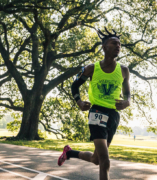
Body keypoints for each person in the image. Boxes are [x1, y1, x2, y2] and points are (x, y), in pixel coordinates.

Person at [58, 27, 131, 180]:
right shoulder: (92, 68)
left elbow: (127, 94)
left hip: (113, 115)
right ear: (104, 47)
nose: (118, 46)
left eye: (119, 44)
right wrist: (79, 102)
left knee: (96, 159)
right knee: (105, 159)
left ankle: (69, 153)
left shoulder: (124, 70)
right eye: (114, 43)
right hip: (97, 112)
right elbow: (75, 85)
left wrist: (127, 102)